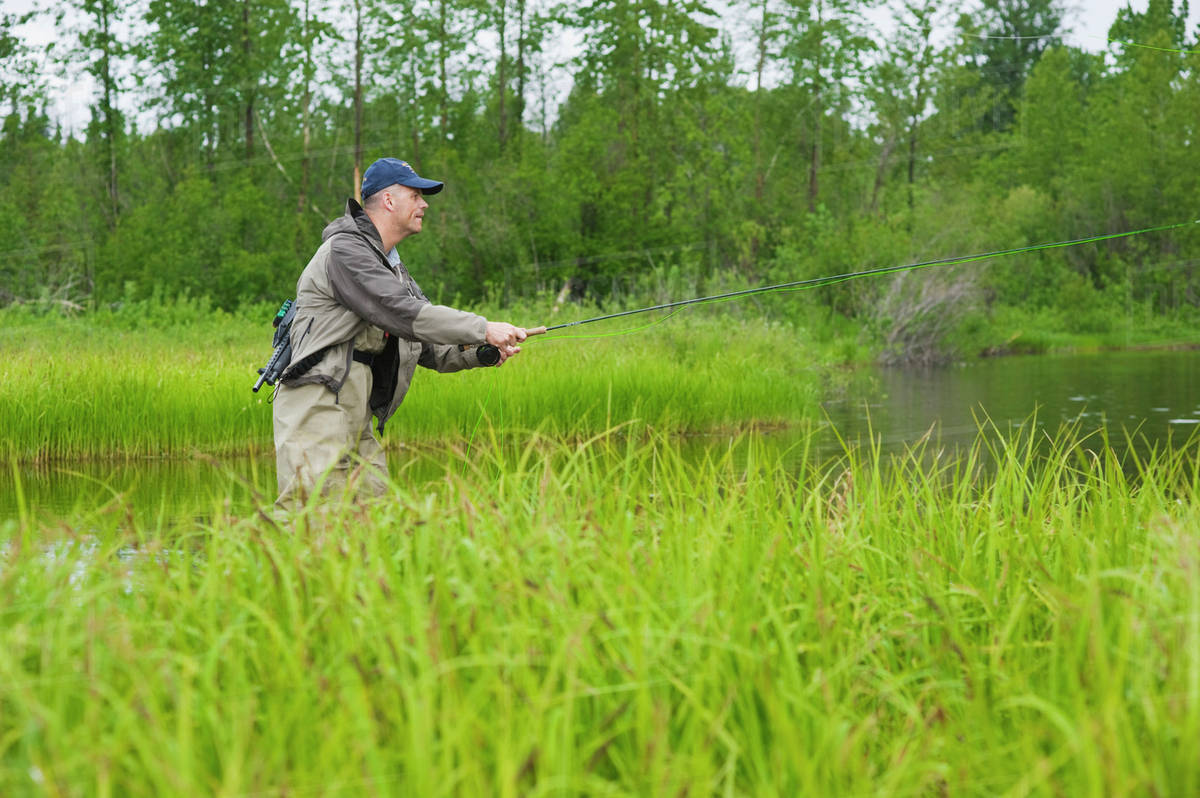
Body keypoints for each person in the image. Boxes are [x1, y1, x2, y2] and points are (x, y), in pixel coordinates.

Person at [272, 157, 528, 508]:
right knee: (313, 515)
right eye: (416, 195)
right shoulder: (347, 251)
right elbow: (404, 313)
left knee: (373, 515)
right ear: (389, 200)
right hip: (317, 399)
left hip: (355, 407)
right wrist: (483, 327)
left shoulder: (392, 267)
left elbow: (424, 344)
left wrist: (482, 349)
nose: (424, 204)